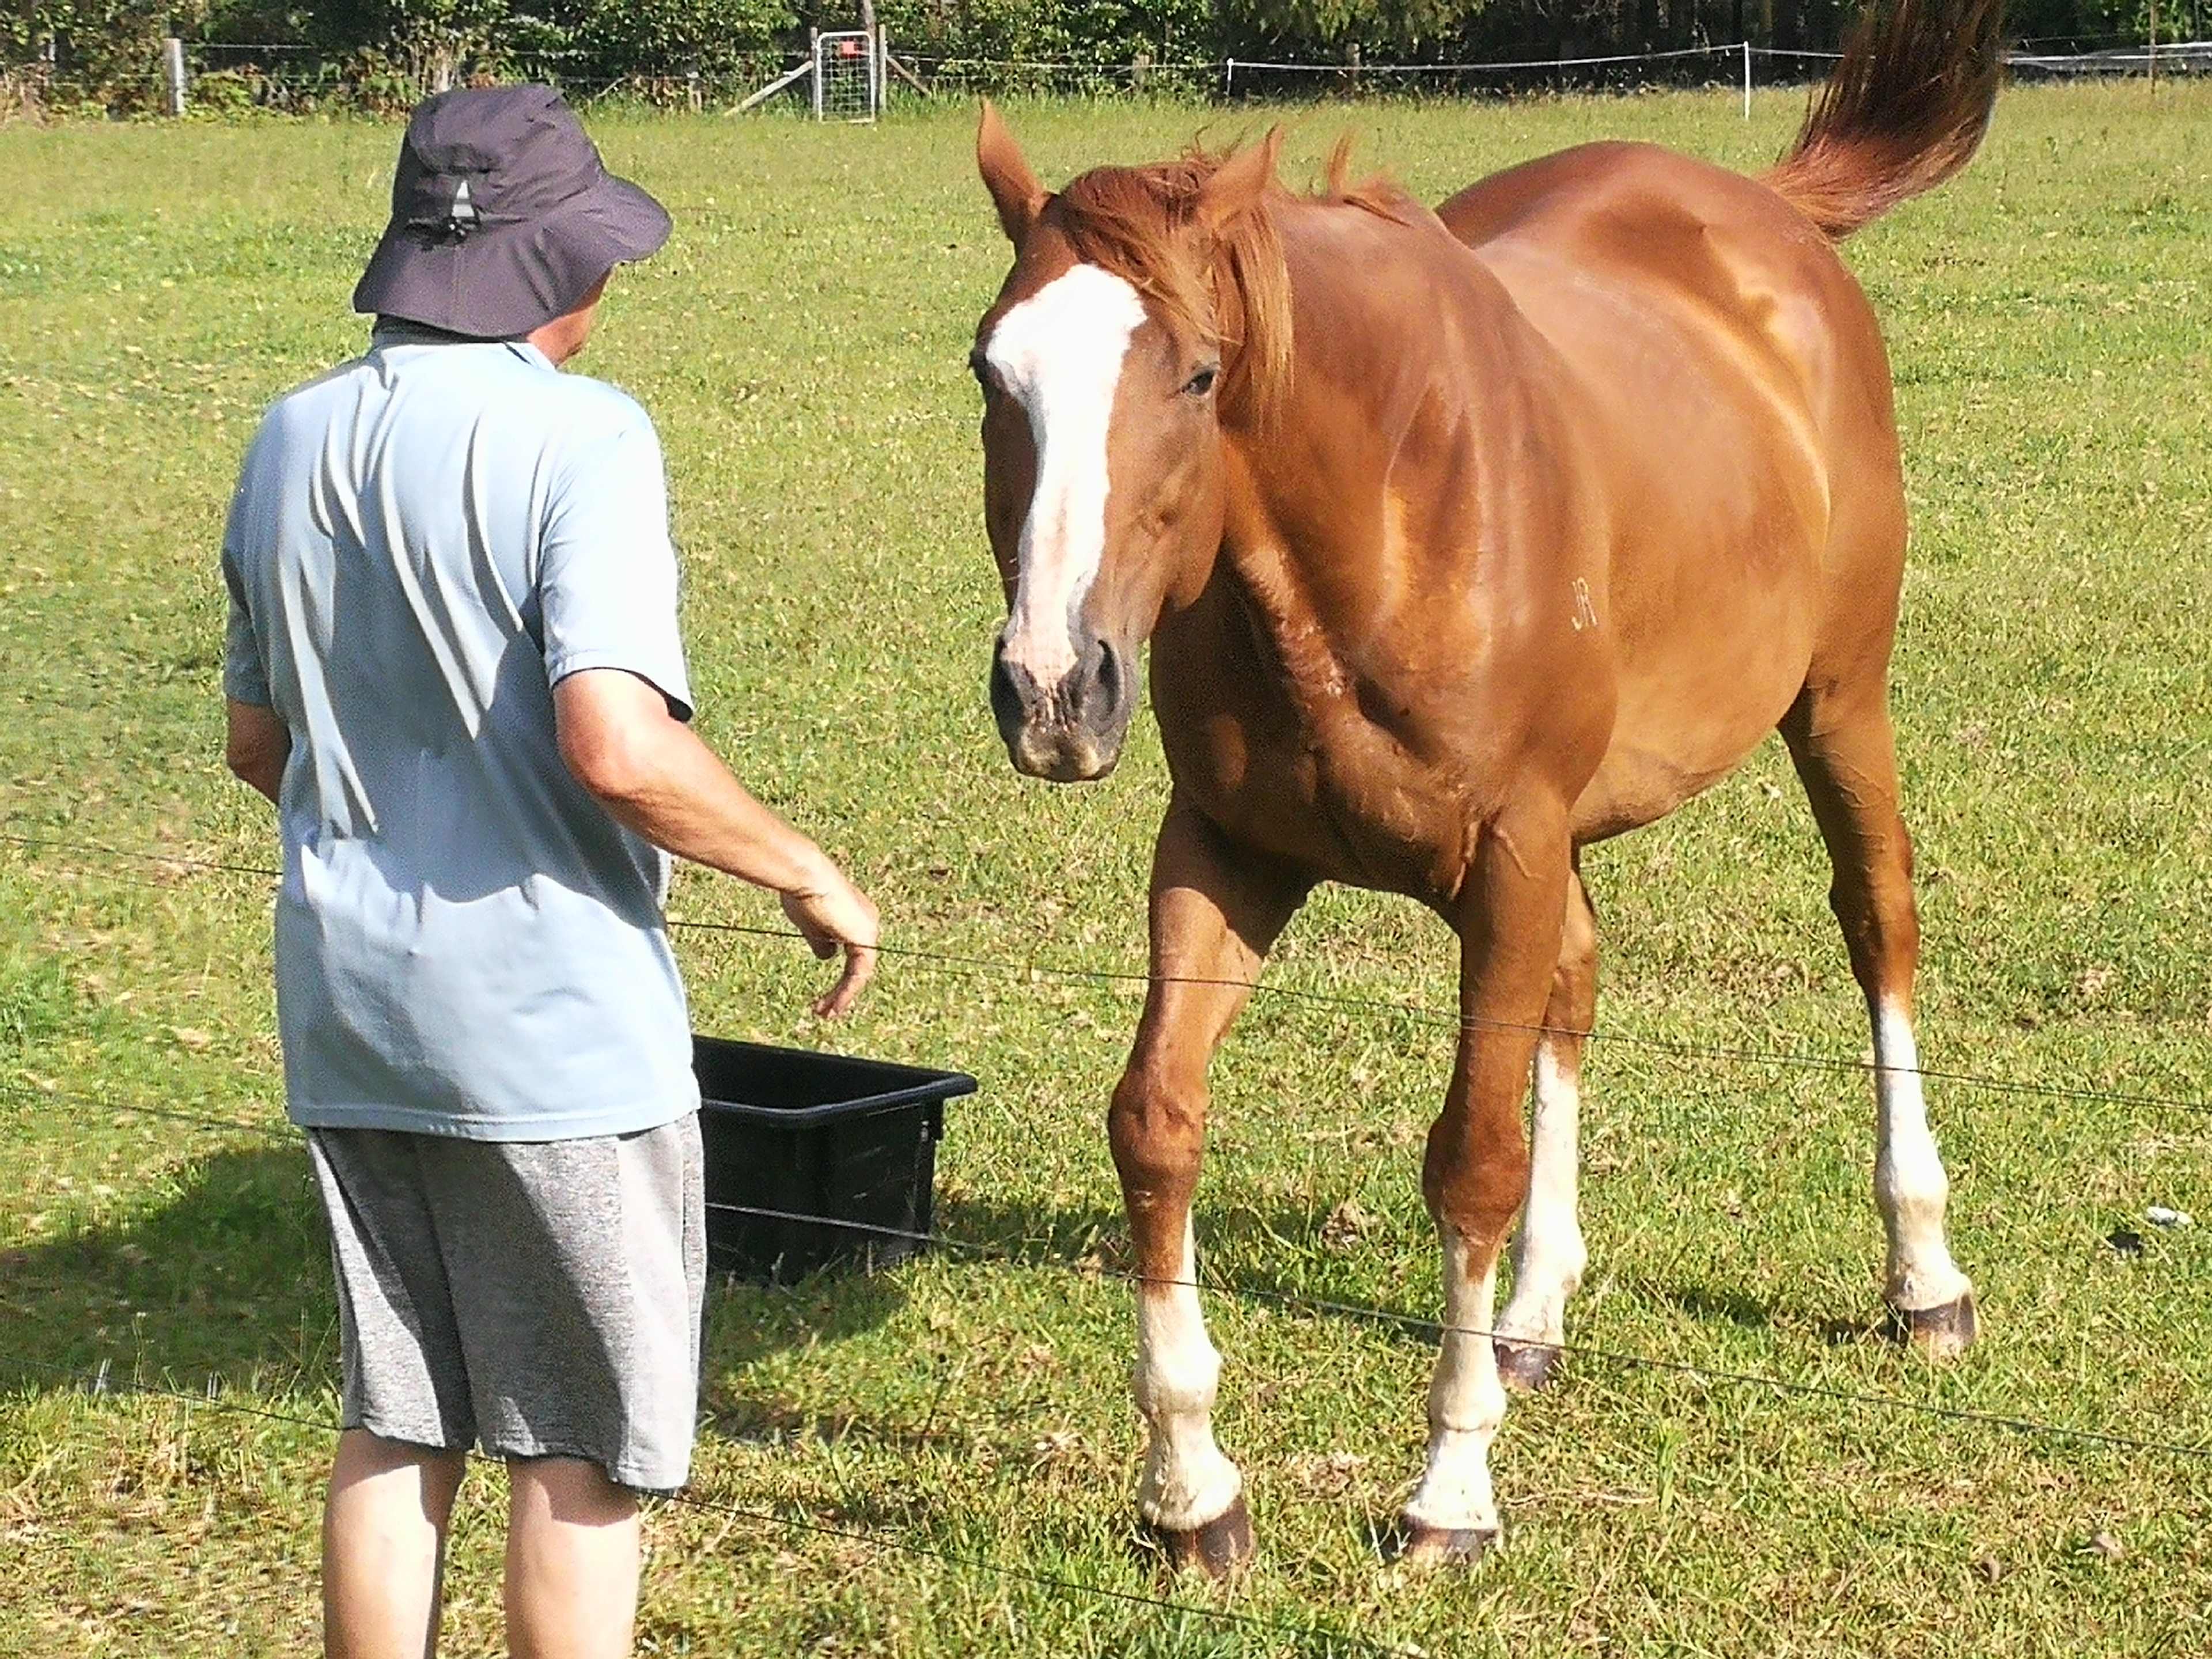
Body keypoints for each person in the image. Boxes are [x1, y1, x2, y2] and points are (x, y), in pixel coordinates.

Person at [218, 85, 880, 1659]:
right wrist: (803, 870)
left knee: (399, 1420)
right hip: (555, 1034)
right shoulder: (585, 439)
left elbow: (261, 746)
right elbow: (618, 745)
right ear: (540, 270)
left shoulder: (289, 434)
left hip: (348, 1015)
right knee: (580, 1450)